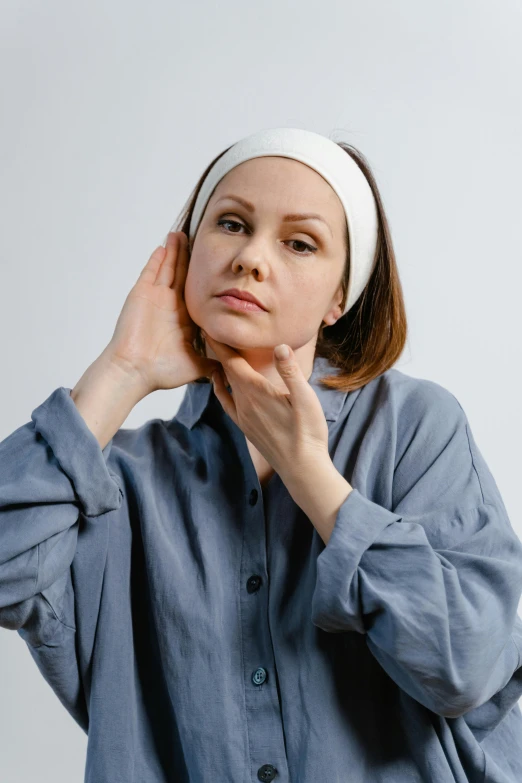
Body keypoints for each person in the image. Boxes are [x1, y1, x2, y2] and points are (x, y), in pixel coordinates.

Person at [1, 127, 522, 783]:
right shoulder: (117, 480)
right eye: (231, 224)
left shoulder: (415, 427)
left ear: (341, 296)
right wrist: (122, 368)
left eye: (298, 242)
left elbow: (467, 663)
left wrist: (315, 481)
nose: (251, 257)